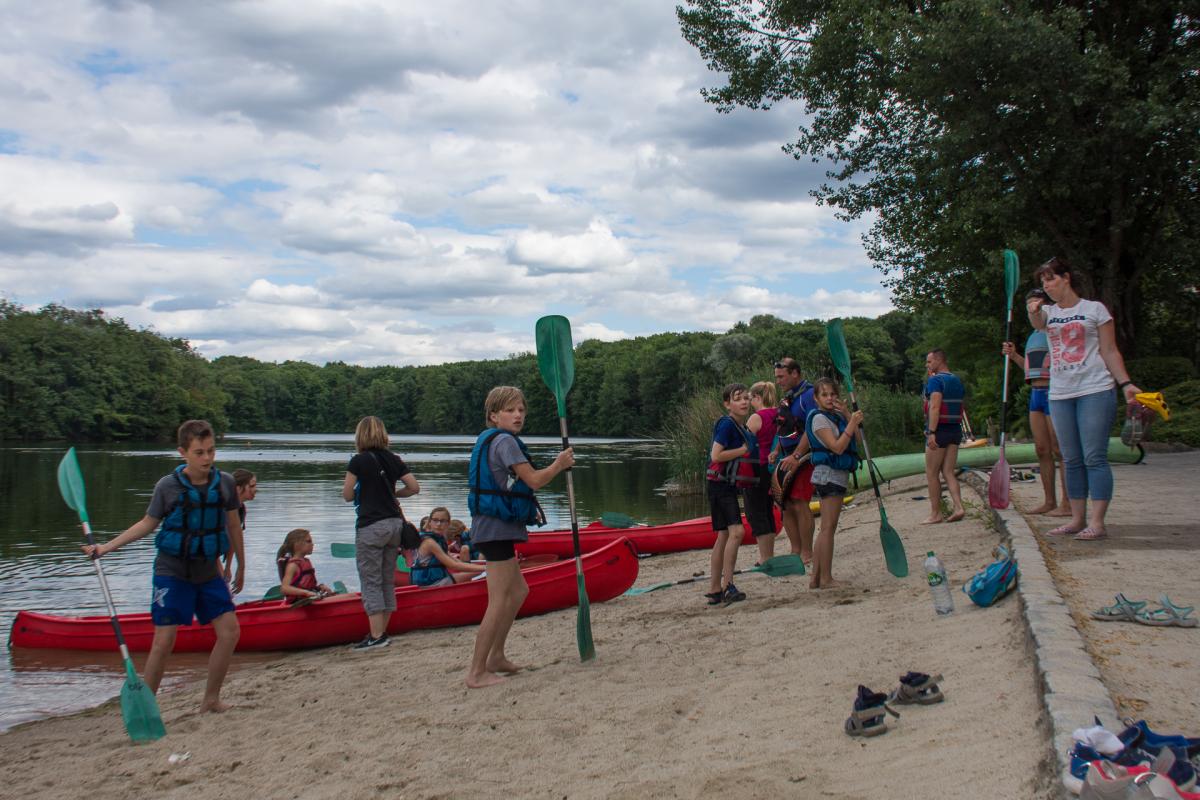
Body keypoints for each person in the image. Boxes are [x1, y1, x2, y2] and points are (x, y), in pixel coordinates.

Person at [80, 419, 245, 713]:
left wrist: (241, 565)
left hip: (208, 571)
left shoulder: (226, 483)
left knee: (230, 632)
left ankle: (210, 700)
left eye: (211, 451)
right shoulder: (167, 487)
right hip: (172, 571)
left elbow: (233, 525)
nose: (207, 458)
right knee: (164, 640)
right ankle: (147, 707)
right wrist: (106, 547)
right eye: (199, 452)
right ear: (182, 452)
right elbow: (147, 523)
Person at [466, 386, 574, 688]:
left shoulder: (494, 440)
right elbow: (534, 480)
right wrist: (559, 464)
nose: (517, 415)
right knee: (499, 599)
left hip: (494, 528)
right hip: (494, 531)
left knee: (518, 592)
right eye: (510, 410)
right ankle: (476, 672)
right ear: (494, 415)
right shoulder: (505, 442)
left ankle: (496, 657)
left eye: (521, 410)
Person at [1028, 257, 1141, 541]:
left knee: (1094, 456)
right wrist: (1033, 310)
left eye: (1051, 279)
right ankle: (1076, 519)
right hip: (1060, 393)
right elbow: (1037, 323)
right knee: (1071, 458)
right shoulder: (1048, 313)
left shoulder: (1094, 309)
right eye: (1043, 282)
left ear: (1066, 278)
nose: (1047, 285)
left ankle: (1097, 522)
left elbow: (1109, 350)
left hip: (1095, 388)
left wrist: (1125, 383)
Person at [342, 416, 420, 650]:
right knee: (387, 579)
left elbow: (347, 495)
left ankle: (376, 636)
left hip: (371, 526)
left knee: (371, 581)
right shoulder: (393, 459)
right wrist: (393, 494)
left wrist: (364, 493)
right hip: (394, 525)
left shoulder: (358, 461)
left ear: (360, 436)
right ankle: (381, 632)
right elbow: (414, 488)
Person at [1003, 289, 1071, 517]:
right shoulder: (1033, 336)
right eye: (1029, 305)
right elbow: (1030, 369)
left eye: (1037, 304)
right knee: (1042, 450)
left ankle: (1068, 503)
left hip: (1054, 390)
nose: (1032, 308)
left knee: (1059, 449)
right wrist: (1014, 356)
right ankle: (1049, 501)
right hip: (1036, 393)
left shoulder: (1056, 330)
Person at [805, 378, 863, 589]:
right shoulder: (819, 419)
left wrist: (847, 414)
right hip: (828, 476)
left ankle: (816, 578)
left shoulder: (836, 416)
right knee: (828, 528)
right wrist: (852, 423)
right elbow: (837, 447)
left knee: (826, 528)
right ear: (816, 398)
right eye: (824, 395)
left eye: (832, 394)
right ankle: (826, 578)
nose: (829, 398)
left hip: (835, 476)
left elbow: (857, 439)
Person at [705, 383, 756, 606]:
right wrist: (743, 450)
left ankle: (715, 589)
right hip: (720, 485)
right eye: (738, 398)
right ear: (727, 404)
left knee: (724, 535)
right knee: (737, 532)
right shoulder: (727, 425)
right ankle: (728, 587)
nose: (744, 402)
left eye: (746, 398)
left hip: (722, 484)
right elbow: (716, 456)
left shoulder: (740, 425)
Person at [771, 357, 818, 565]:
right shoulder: (788, 398)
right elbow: (785, 427)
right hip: (786, 455)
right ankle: (795, 550)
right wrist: (776, 450)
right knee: (784, 504)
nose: (778, 381)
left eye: (781, 377)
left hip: (803, 456)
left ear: (795, 373)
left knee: (799, 502)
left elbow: (811, 427)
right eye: (777, 377)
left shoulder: (809, 394)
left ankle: (807, 552)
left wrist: (797, 456)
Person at [922, 349, 967, 523]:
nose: (927, 365)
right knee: (948, 472)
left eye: (929, 361)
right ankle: (959, 507)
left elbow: (934, 407)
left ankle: (936, 514)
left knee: (932, 473)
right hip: (955, 430)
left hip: (940, 431)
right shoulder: (956, 380)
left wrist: (931, 432)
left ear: (939, 360)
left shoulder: (935, 380)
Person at [745, 381, 780, 563]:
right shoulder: (779, 413)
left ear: (757, 397)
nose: (749, 402)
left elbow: (744, 443)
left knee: (755, 512)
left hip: (757, 468)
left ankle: (765, 558)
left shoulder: (756, 417)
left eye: (750, 398)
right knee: (767, 509)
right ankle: (769, 555)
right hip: (773, 468)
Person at [411, 507, 487, 586]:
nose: (438, 524)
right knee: (482, 572)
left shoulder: (437, 539)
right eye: (435, 520)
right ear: (430, 522)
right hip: (428, 583)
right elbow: (453, 565)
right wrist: (486, 568)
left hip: (432, 580)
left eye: (442, 521)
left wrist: (479, 567)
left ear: (448, 523)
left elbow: (455, 561)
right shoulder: (430, 542)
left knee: (477, 571)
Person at [222, 469, 257, 593]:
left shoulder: (241, 509)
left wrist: (228, 567)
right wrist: (220, 572)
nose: (256, 490)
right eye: (251, 486)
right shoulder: (221, 510)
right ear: (238, 488)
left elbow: (233, 540)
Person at [276, 528, 333, 603]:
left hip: (308, 599)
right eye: (308, 541)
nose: (312, 544)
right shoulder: (293, 565)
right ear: (297, 545)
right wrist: (306, 593)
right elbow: (284, 588)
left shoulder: (306, 561)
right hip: (299, 602)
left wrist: (319, 588)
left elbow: (308, 585)